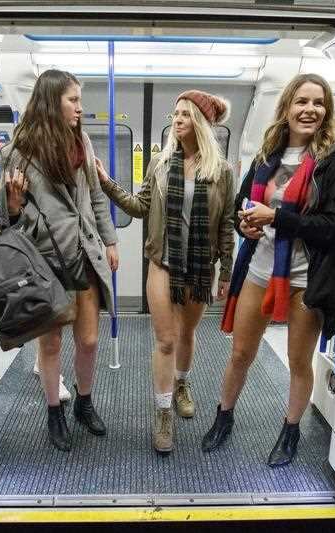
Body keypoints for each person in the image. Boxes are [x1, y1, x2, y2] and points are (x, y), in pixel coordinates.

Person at [201, 73, 335, 467]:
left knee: (299, 361)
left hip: (308, 276)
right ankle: (224, 416)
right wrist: (245, 223)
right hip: (260, 267)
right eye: (301, 102)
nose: (310, 110)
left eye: (318, 103)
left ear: (327, 111)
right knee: (240, 352)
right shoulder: (266, 155)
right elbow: (242, 204)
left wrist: (278, 217)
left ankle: (290, 431)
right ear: (287, 107)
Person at [95, 90, 235, 454]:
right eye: (175, 114)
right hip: (162, 263)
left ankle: (182, 384)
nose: (177, 119)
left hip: (200, 267)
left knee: (187, 333)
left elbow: (226, 224)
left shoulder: (222, 172)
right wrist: (107, 182)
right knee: (166, 340)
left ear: (201, 123)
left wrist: (226, 273)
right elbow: (140, 206)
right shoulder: (160, 163)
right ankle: (163, 414)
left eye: (186, 114)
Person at [0, 69, 119, 451]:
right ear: (52, 101)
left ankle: (83, 401)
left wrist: (110, 240)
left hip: (85, 253)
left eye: (80, 99)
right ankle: (53, 411)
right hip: (44, 260)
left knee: (90, 340)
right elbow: (4, 219)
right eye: (73, 100)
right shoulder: (16, 152)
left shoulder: (82, 141)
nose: (80, 107)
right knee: (49, 345)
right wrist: (12, 205)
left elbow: (95, 197)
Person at [0, 171, 71, 403]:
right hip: (30, 247)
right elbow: (0, 213)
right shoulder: (10, 164)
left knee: (55, 313)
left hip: (57, 247)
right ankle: (46, 369)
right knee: (46, 311)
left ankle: (42, 362)